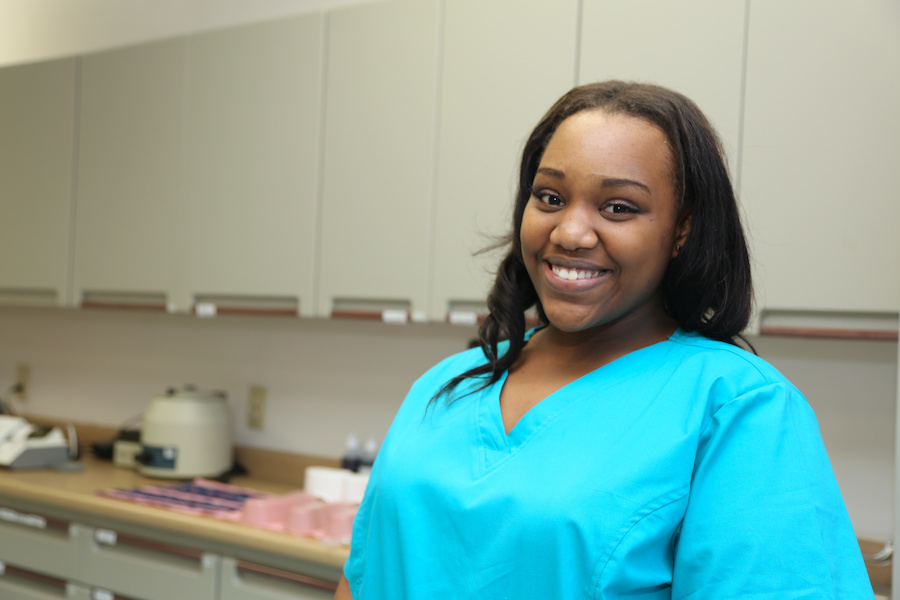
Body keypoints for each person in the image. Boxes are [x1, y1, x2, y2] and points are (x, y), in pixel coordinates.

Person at [334, 81, 872, 599]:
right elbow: (363, 576)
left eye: (619, 207)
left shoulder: (737, 408)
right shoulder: (448, 387)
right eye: (549, 197)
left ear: (682, 230)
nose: (569, 233)